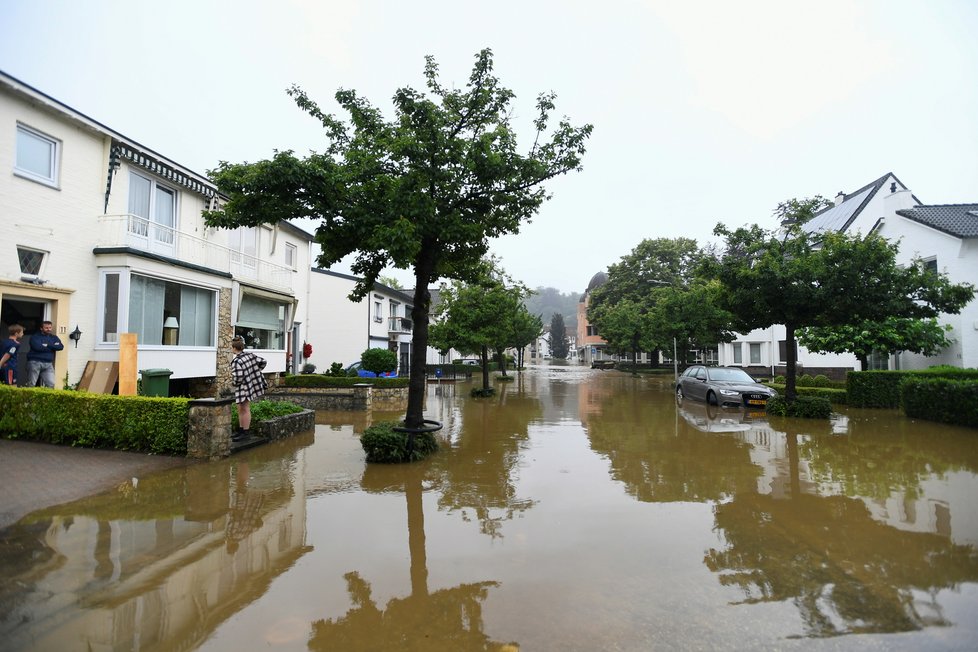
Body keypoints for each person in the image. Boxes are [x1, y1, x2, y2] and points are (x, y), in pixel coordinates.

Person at [230, 335, 267, 441]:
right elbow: (263, 361)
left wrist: (234, 383)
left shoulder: (237, 361)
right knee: (241, 409)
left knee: (245, 409)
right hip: (250, 384)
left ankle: (245, 433)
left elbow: (238, 378)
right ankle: (241, 431)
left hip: (243, 387)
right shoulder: (249, 355)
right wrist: (255, 372)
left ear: (234, 348)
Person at [26, 320, 64, 388]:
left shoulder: (54, 337)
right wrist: (53, 346)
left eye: (50, 327)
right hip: (35, 362)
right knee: (31, 384)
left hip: (48, 364)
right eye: (46, 328)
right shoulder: (35, 337)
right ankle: (28, 398)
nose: (48, 329)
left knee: (51, 384)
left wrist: (47, 345)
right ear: (41, 328)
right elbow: (37, 347)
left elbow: (60, 347)